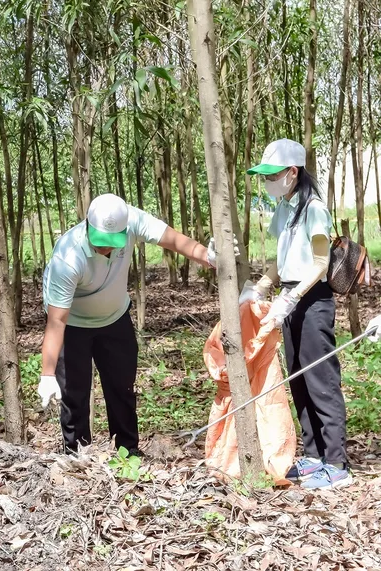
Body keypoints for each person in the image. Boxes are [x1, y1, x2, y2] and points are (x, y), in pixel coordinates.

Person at [38, 193, 230, 456]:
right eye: (100, 242)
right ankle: (76, 455)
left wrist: (206, 256)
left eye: (111, 242)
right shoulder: (67, 258)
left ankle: (128, 453)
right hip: (73, 325)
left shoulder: (130, 220)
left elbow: (172, 239)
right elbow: (56, 320)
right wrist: (47, 374)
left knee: (121, 388)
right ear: (87, 226)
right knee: (74, 394)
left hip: (114, 319)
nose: (106, 248)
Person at [245, 139, 350, 490]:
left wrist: (291, 298)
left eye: (273, 175)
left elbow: (320, 263)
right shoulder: (284, 208)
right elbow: (280, 261)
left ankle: (337, 463)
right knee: (298, 377)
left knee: (320, 379)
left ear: (292, 172)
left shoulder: (315, 209)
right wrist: (260, 288)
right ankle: (315, 455)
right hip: (289, 298)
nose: (268, 182)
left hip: (312, 300)